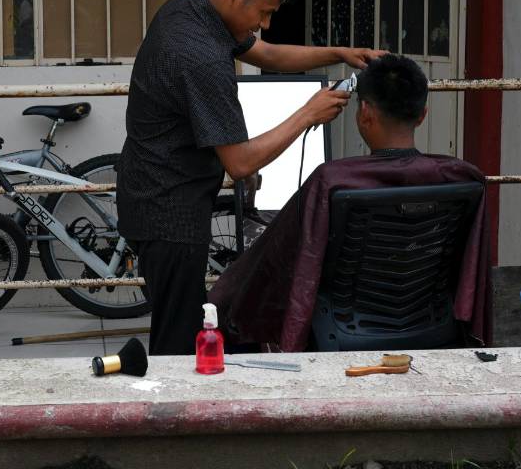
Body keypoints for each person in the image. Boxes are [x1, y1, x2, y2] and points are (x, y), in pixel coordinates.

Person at [117, 0, 383, 356]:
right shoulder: (197, 52)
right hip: (168, 210)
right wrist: (308, 113)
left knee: (186, 327)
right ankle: (168, 416)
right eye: (264, 11)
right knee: (175, 342)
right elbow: (239, 163)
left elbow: (271, 54)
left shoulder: (189, 9)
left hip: (153, 191)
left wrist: (340, 53)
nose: (266, 23)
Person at [207, 54, 491, 351]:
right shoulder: (461, 178)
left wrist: (224, 296)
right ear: (423, 114)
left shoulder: (331, 181)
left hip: (342, 330)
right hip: (430, 325)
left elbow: (272, 264)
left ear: (364, 112)